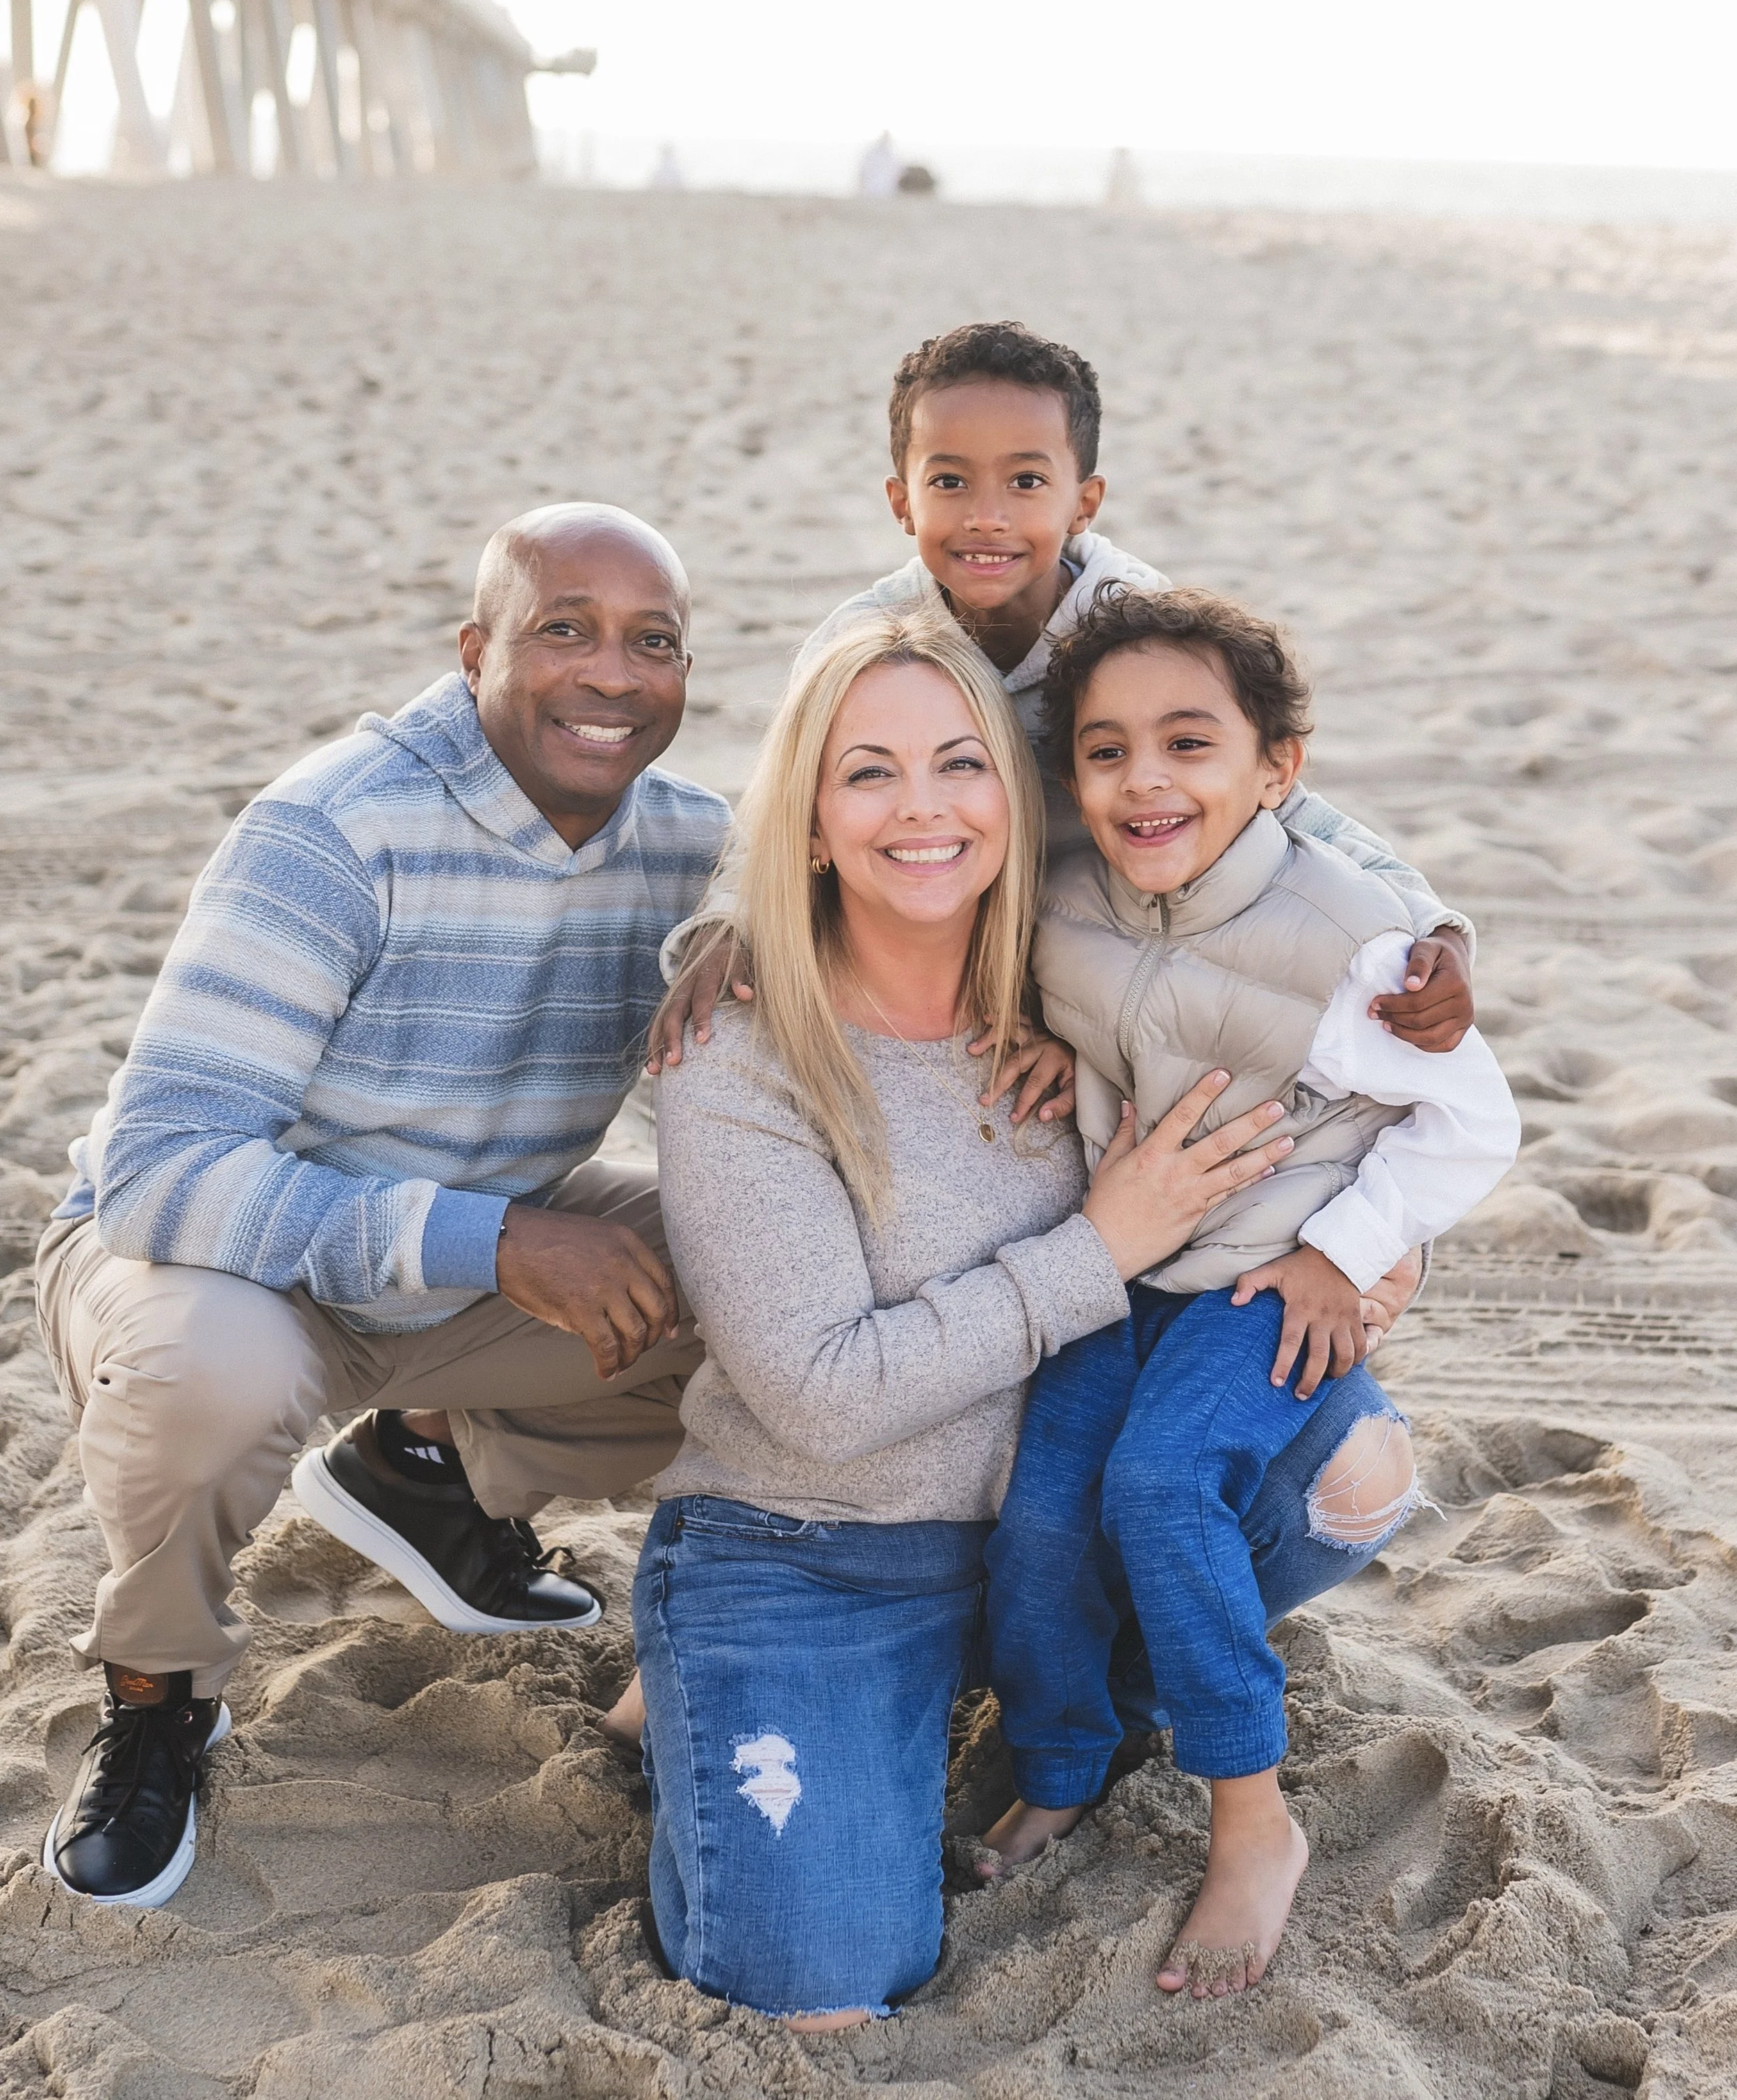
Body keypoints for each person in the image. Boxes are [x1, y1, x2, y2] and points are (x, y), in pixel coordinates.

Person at [634, 609, 1404, 2026]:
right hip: (820, 1546)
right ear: (806, 820)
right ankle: (707, 1706)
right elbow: (819, 1391)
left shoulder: (1076, 977)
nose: (922, 808)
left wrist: (1359, 1253)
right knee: (815, 1983)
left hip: (1047, 1537)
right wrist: (1096, 1246)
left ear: (1015, 795)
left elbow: (1291, 886)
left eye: (956, 766)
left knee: (1355, 1467)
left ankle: (1071, 1691)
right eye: (866, 774)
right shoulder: (737, 1049)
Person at [33, 503, 730, 1908]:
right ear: (476, 649)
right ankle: (158, 1699)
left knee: (762, 1282)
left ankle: (426, 1473)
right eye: (563, 630)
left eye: (651, 641)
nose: (612, 673)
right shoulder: (333, 826)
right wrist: (495, 1239)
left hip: (466, 1271)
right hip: (207, 1262)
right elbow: (167, 1164)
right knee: (213, 1372)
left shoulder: (683, 844)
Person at [980, 585, 1520, 1996]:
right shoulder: (1068, 898)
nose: (1142, 777)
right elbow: (1115, 1014)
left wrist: (1342, 1251)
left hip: (1265, 1281)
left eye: (1186, 743)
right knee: (1041, 1507)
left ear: (1274, 766)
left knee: (1158, 1489)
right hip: (1124, 1265)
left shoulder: (1347, 939)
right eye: (1103, 751)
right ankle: (1059, 1762)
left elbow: (1474, 1122)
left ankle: (1249, 1818)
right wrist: (1053, 1054)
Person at [651, 319, 1477, 1073]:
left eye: (1025, 481)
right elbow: (780, 806)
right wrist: (729, 920)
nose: (985, 516)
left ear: (1083, 502)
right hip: (929, 923)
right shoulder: (863, 640)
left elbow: (1273, 796)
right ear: (901, 501)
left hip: (1097, 943)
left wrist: (1434, 925)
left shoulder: (1141, 634)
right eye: (948, 482)